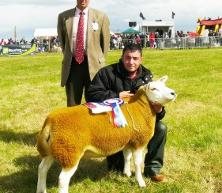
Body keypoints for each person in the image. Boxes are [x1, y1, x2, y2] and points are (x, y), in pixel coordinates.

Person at [85, 43, 167, 182]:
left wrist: (159, 111)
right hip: (113, 123)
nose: (131, 62)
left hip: (137, 123)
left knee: (160, 128)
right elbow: (91, 94)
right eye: (127, 58)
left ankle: (153, 169)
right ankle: (118, 163)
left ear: (141, 59)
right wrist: (116, 95)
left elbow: (156, 102)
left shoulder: (147, 77)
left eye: (135, 58)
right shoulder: (107, 73)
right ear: (122, 57)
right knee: (116, 170)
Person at [57, 0, 110, 106]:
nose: (83, 0)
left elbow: (105, 44)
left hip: (94, 67)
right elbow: (63, 43)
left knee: (95, 104)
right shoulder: (63, 17)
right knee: (72, 105)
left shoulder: (101, 16)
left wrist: (98, 60)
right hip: (73, 67)